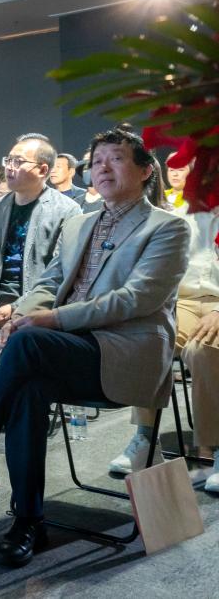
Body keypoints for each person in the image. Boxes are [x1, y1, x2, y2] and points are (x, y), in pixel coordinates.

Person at [0, 128, 190, 568]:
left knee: (30, 341)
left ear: (146, 171)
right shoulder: (81, 223)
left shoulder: (167, 227)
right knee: (28, 387)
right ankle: (27, 520)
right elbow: (48, 284)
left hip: (127, 353)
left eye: (116, 159)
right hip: (69, 350)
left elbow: (135, 300)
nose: (102, 168)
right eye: (97, 160)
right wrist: (19, 314)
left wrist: (50, 320)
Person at [0, 135, 81, 429]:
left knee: (18, 337)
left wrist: (17, 306)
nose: (10, 167)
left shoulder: (66, 210)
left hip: (37, 304)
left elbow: (60, 273)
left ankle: (11, 409)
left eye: (18, 161)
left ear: (42, 169)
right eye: (9, 160)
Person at [110, 205, 219, 490]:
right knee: (149, 338)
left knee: (203, 350)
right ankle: (145, 439)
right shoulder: (180, 215)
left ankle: (215, 447)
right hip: (182, 302)